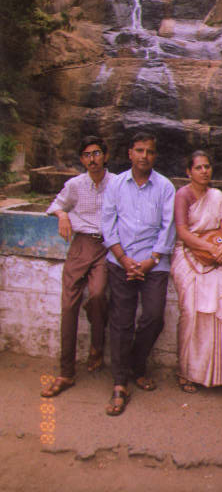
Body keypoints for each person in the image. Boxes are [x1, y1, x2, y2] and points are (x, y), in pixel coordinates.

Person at [101, 132, 176, 416]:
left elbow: (168, 227)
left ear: (155, 156)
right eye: (140, 150)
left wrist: (150, 261)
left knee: (154, 317)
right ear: (130, 153)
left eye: (150, 151)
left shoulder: (165, 186)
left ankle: (135, 363)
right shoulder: (115, 184)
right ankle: (120, 383)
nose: (145, 156)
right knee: (121, 321)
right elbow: (108, 224)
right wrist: (123, 259)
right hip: (120, 261)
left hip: (153, 263)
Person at [41, 135, 115, 397]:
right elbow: (55, 204)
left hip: (106, 245)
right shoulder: (74, 185)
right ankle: (66, 373)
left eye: (96, 153)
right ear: (82, 159)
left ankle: (97, 345)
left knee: (98, 295)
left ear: (105, 156)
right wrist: (62, 214)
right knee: (68, 305)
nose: (92, 159)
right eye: (86, 155)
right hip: (81, 244)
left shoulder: (117, 183)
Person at [170, 151, 222, 393]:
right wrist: (210, 248)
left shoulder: (217, 196)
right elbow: (182, 232)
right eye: (198, 167)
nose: (204, 171)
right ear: (189, 172)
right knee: (191, 311)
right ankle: (187, 371)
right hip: (189, 254)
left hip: (217, 254)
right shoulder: (183, 195)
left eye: (207, 166)